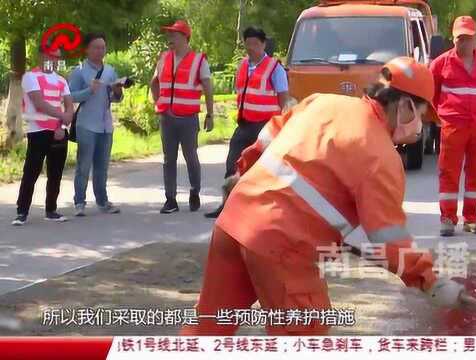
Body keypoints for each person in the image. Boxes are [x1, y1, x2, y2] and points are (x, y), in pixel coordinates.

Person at [181, 57, 461, 336]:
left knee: (208, 326)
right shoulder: (381, 157)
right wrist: (428, 279)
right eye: (422, 116)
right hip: (283, 245)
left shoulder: (322, 102)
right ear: (405, 106)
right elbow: (388, 238)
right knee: (306, 333)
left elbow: (270, 132)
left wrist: (242, 171)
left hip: (235, 219)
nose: (421, 127)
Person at [204, 27, 289, 218]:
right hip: (244, 124)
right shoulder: (243, 65)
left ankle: (265, 209)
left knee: (265, 169)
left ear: (264, 44)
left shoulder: (275, 68)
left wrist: (284, 126)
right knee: (232, 164)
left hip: (266, 127)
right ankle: (226, 206)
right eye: (247, 44)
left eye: (255, 44)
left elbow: (284, 98)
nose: (251, 48)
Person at [429, 16, 476, 237]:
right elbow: (432, 94)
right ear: (453, 39)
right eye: (460, 38)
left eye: (468, 38)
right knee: (449, 171)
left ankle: (471, 218)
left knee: (475, 172)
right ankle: (447, 218)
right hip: (453, 125)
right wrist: (446, 113)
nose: (464, 43)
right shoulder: (441, 63)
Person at [150, 20, 214, 214]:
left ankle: (194, 190)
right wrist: (157, 103)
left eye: (174, 35)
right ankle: (170, 200)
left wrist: (210, 114)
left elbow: (208, 88)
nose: (170, 39)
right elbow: (154, 82)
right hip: (167, 117)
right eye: (168, 35)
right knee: (168, 159)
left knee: (190, 156)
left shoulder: (198, 60)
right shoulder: (163, 58)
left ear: (185, 37)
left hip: (187, 117)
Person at [12, 45, 74, 226]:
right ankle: (22, 211)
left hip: (59, 130)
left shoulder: (62, 80)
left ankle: (51, 209)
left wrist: (62, 125)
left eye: (58, 58)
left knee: (56, 172)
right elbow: (39, 104)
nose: (55, 61)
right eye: (52, 57)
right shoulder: (30, 77)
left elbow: (69, 105)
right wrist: (63, 116)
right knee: (31, 172)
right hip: (38, 131)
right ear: (42, 56)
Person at [68, 33, 124, 217]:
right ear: (87, 49)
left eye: (102, 47)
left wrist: (117, 92)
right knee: (83, 165)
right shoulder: (79, 70)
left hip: (106, 125)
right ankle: (79, 202)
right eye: (96, 47)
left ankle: (102, 201)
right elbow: (70, 96)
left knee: (102, 166)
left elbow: (116, 99)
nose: (100, 51)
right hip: (86, 124)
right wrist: (89, 90)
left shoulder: (110, 70)